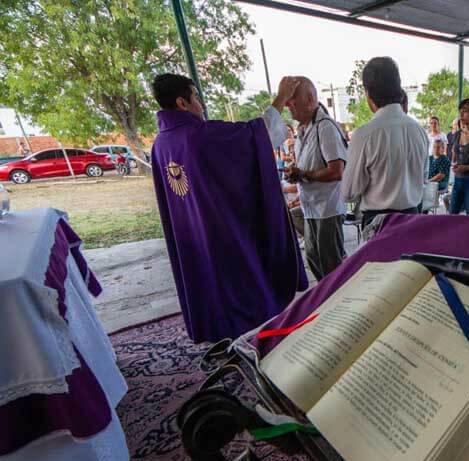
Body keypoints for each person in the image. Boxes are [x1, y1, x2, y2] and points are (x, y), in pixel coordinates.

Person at [149, 73, 307, 343]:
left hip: (190, 233)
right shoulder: (198, 136)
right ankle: (256, 338)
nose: (201, 104)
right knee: (246, 286)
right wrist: (280, 98)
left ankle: (217, 333)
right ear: (181, 103)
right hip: (219, 232)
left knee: (206, 282)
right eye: (196, 96)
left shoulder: (160, 144)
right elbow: (256, 136)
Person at [342, 57, 428, 228]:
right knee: (407, 256)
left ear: (367, 92)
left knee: (382, 257)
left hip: (379, 225)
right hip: (412, 220)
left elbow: (349, 192)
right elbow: (423, 178)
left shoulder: (364, 135)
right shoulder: (419, 131)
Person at [282, 77, 348, 282]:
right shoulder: (304, 130)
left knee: (331, 267)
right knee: (313, 258)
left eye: (292, 100)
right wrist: (298, 172)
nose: (287, 105)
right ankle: (328, 302)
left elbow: (337, 171)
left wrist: (303, 174)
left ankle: (338, 305)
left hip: (327, 208)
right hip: (311, 208)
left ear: (310, 99)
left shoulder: (325, 127)